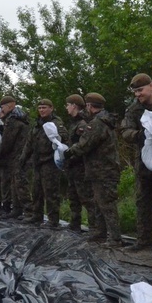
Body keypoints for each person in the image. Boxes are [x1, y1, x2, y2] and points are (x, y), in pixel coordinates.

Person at [64, 92, 122, 248]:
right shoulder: (103, 121)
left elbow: (85, 144)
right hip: (100, 170)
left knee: (106, 204)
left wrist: (68, 152)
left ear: (89, 106)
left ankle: (115, 238)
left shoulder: (97, 123)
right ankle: (100, 233)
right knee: (98, 203)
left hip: (103, 170)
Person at [120, 73, 152, 253]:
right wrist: (139, 135)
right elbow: (125, 130)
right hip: (143, 161)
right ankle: (144, 240)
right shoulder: (134, 110)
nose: (137, 94)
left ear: (151, 86)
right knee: (142, 202)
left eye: (140, 90)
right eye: (135, 92)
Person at [20, 99, 67, 227]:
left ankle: (53, 220)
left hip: (50, 162)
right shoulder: (37, 124)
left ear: (51, 108)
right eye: (40, 108)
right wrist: (23, 158)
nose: (41, 110)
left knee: (51, 192)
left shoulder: (56, 123)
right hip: (37, 162)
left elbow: (63, 140)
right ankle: (37, 215)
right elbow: (29, 143)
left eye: (44, 107)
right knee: (36, 191)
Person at [64, 94, 94, 232]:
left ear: (74, 106)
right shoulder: (74, 122)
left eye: (68, 105)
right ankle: (74, 223)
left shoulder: (82, 124)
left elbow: (84, 146)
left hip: (80, 167)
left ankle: (95, 227)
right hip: (72, 166)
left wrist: (71, 155)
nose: (66, 108)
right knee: (73, 197)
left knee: (86, 198)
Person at [0, 96, 30, 219]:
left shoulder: (13, 121)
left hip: (18, 156)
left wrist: (0, 154)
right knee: (15, 184)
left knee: (20, 184)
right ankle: (17, 209)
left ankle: (28, 211)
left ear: (10, 106)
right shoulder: (19, 119)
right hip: (18, 156)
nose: (2, 110)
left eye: (3, 107)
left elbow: (7, 141)